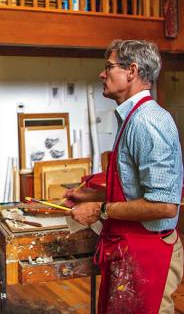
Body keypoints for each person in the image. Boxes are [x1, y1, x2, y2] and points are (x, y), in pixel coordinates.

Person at [66, 40, 184, 314]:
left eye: (109, 67)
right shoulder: (133, 117)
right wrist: (91, 194)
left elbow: (165, 205)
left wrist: (100, 209)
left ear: (132, 71)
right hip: (133, 249)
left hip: (149, 253)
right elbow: (134, 189)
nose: (102, 74)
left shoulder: (147, 121)